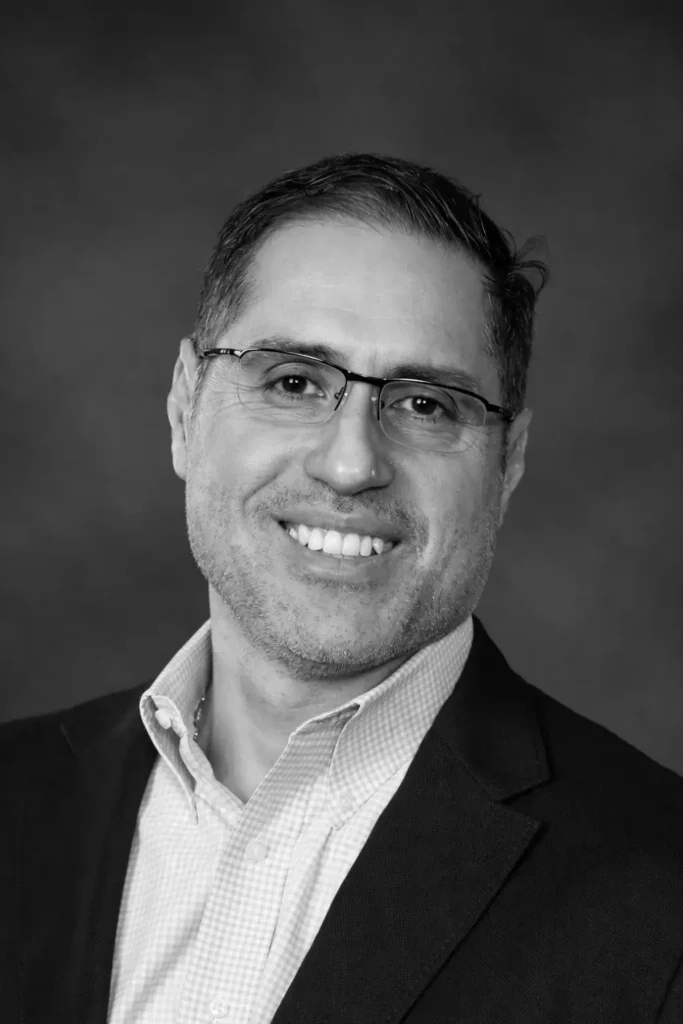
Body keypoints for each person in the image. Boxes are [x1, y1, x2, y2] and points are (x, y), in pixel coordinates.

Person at [2, 153, 682, 1024]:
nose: (351, 462)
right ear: (183, 408)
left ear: (507, 464)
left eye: (426, 404)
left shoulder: (660, 897)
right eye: (292, 382)